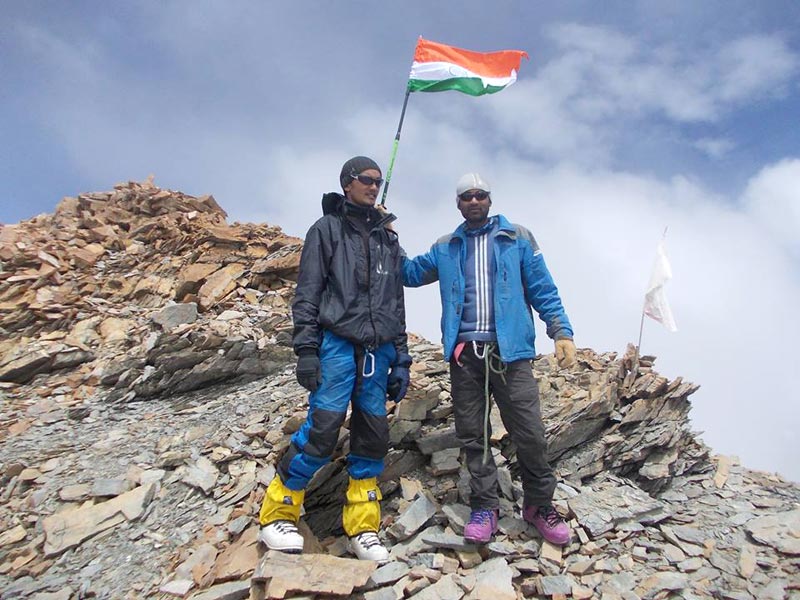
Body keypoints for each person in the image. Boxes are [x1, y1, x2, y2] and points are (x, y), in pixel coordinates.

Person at [402, 173, 577, 546]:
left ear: (490, 199)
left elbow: (542, 287)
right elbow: (410, 273)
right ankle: (485, 506)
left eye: (480, 195)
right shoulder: (446, 246)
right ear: (458, 203)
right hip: (466, 355)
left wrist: (560, 331)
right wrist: (384, 233)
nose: (474, 201)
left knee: (529, 433)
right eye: (467, 196)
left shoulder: (517, 238)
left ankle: (539, 505)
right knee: (473, 435)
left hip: (510, 353)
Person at [258, 156, 411, 562]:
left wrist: (403, 360)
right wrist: (306, 351)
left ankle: (363, 527)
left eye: (378, 181)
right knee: (323, 429)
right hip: (337, 345)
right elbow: (307, 293)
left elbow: (396, 303)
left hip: (379, 353)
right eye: (366, 180)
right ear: (346, 183)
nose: (373, 187)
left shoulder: (387, 240)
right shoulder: (325, 230)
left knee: (372, 436)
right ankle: (278, 514)